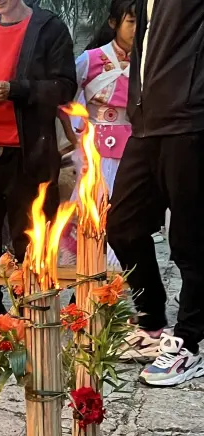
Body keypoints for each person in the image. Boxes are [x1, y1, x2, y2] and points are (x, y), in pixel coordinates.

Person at [0, 0, 76, 314]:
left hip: (28, 155)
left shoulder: (49, 28)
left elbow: (65, 88)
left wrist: (17, 89)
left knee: (30, 241)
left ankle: (32, 313)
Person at [108, 0, 204, 386]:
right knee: (122, 227)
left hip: (189, 122)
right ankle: (151, 324)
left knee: (189, 239)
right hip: (145, 124)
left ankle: (190, 343)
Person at [58, 0, 136, 265]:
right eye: (131, 22)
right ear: (114, 23)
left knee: (122, 219)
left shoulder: (147, 61)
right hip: (94, 157)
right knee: (87, 215)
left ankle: (114, 293)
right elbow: (63, 98)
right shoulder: (90, 59)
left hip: (134, 153)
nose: (136, 29)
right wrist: (72, 137)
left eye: (141, 23)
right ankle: (81, 285)